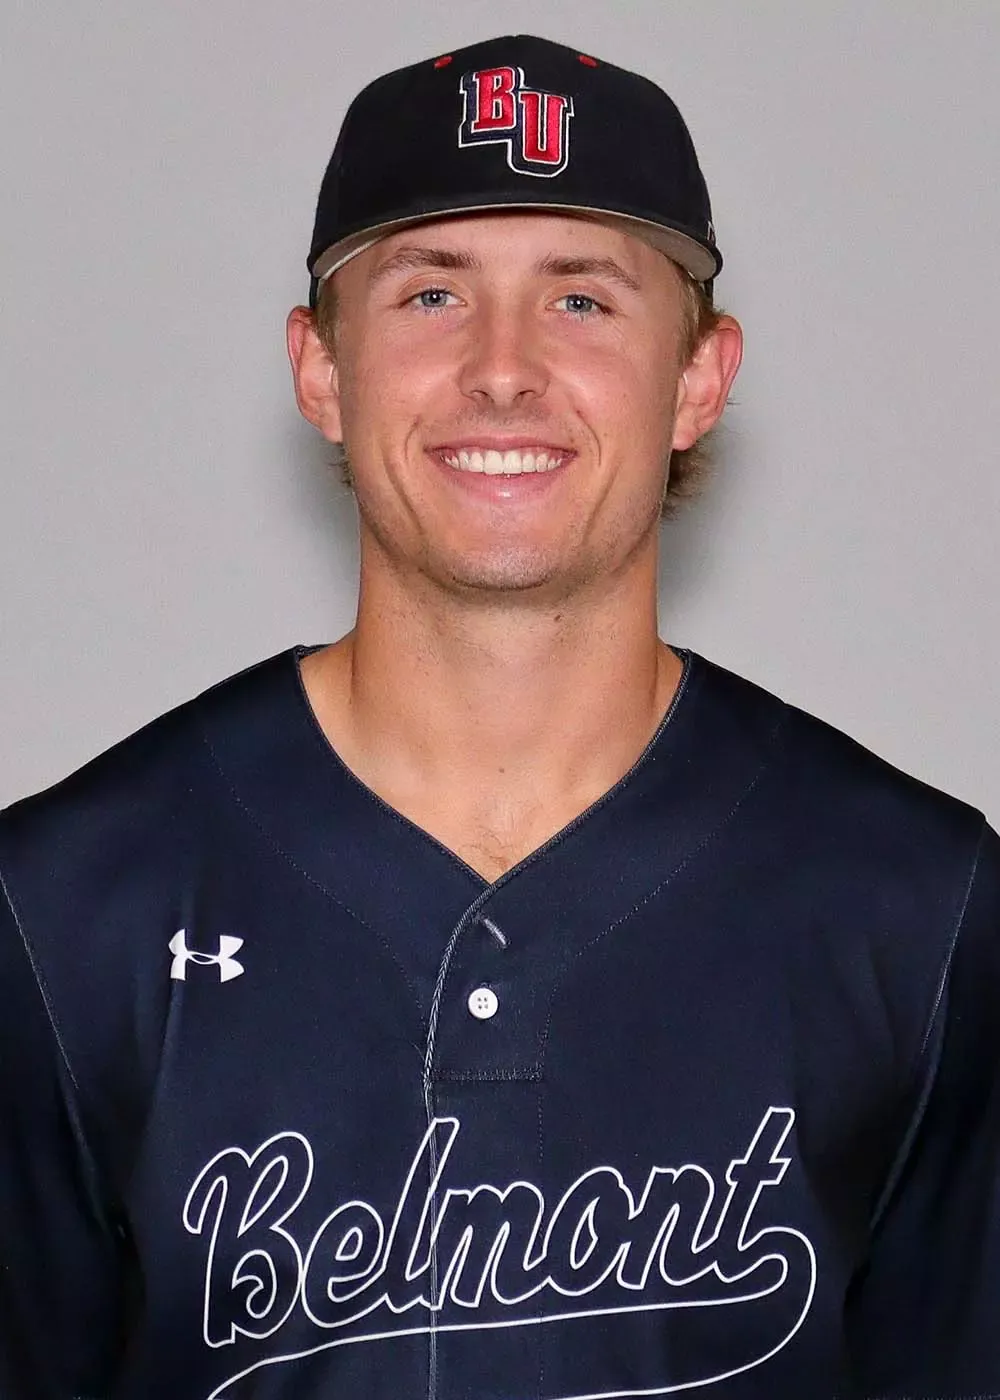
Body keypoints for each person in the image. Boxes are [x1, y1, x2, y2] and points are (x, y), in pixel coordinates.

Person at [0, 32, 997, 1400]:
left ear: (701, 379)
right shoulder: (60, 909)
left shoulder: (921, 909)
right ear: (320, 371)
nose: (504, 370)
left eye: (584, 301)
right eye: (429, 296)